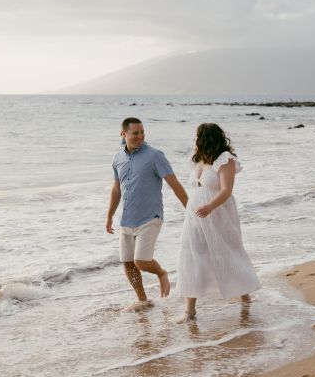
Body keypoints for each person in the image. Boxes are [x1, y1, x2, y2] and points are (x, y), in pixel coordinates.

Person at [176, 123, 261, 322]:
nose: (194, 139)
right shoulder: (198, 160)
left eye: (197, 136)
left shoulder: (225, 159)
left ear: (205, 138)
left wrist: (209, 207)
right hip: (195, 216)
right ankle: (189, 311)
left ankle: (245, 295)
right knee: (193, 254)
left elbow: (226, 190)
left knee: (227, 251)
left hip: (218, 212)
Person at [107, 117, 189, 311]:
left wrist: (189, 208)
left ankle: (161, 273)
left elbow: (174, 183)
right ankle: (143, 300)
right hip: (127, 219)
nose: (140, 136)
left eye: (142, 132)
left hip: (150, 217)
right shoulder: (117, 158)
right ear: (123, 134)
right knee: (128, 263)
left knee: (141, 261)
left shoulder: (155, 156)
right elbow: (116, 190)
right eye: (135, 133)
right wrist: (109, 215)